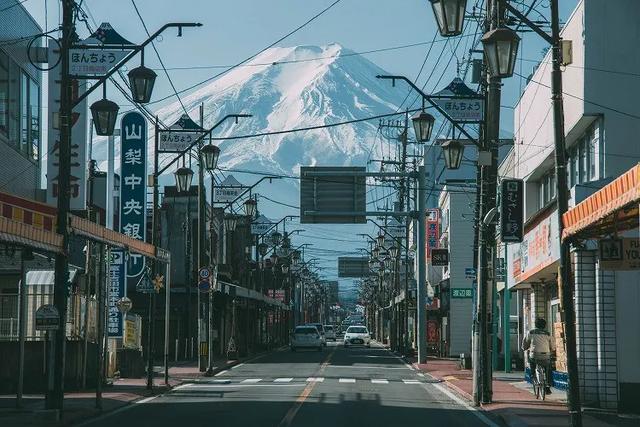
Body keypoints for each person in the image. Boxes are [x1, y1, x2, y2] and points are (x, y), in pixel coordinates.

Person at [522, 318, 555, 394]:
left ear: (535, 324)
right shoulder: (548, 333)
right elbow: (552, 346)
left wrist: (525, 348)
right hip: (546, 355)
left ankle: (533, 374)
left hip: (535, 355)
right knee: (547, 368)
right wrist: (551, 349)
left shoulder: (531, 332)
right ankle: (547, 385)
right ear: (544, 325)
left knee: (531, 358)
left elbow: (525, 343)